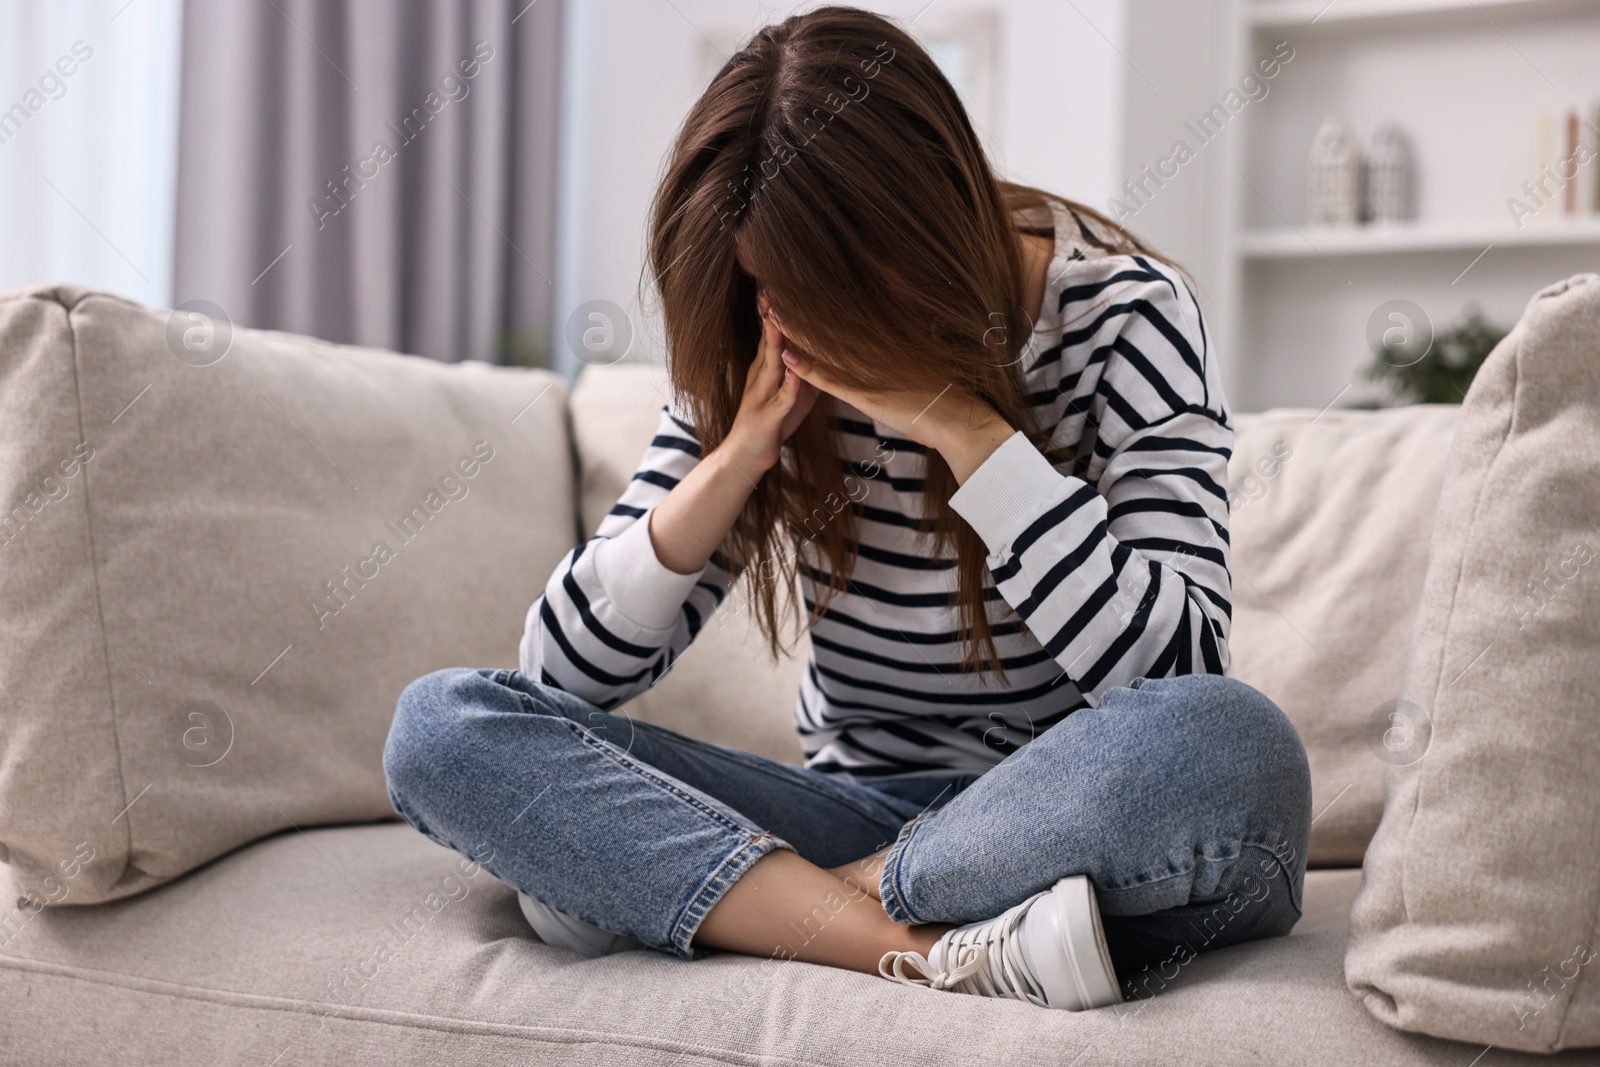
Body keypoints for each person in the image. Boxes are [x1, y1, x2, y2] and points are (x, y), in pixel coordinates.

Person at [383, 5, 1311, 1011]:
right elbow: (556, 676)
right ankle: (918, 942)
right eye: (773, 288)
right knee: (442, 725)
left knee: (1233, 741)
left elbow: (1176, 671)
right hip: (858, 808)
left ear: (929, 223)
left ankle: (748, 902)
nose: (805, 317)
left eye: (835, 285)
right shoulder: (766, 346)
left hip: (1081, 815)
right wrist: (739, 455)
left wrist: (964, 430)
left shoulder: (1130, 320)